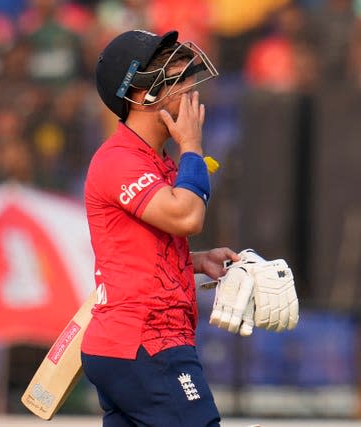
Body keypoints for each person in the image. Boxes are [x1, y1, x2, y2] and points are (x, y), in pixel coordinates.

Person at [80, 29, 241, 427]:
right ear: (139, 94)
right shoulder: (119, 160)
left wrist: (198, 261)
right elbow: (187, 216)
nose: (186, 78)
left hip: (138, 346)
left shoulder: (157, 160)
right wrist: (192, 147)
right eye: (168, 70)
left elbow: (143, 252)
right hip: (146, 343)